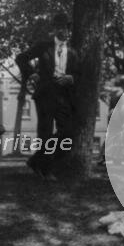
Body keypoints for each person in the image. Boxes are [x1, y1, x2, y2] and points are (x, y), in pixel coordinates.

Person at [16, 12, 80, 181]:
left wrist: (71, 78)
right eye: (60, 27)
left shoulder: (73, 52)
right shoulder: (43, 46)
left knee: (67, 133)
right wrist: (31, 74)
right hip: (45, 93)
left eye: (67, 28)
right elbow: (21, 58)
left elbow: (79, 73)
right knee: (44, 132)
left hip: (64, 95)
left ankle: (35, 160)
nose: (64, 31)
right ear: (55, 29)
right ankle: (46, 170)